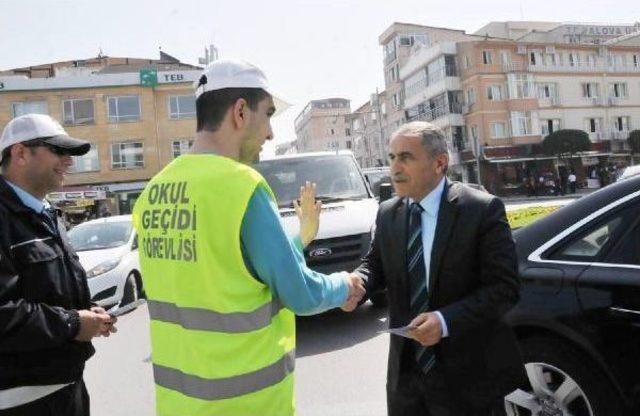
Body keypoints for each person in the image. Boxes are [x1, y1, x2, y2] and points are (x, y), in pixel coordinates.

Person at [132, 59, 365, 416]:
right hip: (247, 404)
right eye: (268, 114)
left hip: (179, 404)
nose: (271, 133)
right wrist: (344, 284)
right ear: (240, 112)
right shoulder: (242, 187)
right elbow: (299, 292)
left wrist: (300, 239)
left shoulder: (152, 192)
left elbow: (221, 272)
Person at [353, 121, 524, 415]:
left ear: (439, 163)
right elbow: (375, 265)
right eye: (391, 157)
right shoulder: (389, 213)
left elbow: (504, 288)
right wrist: (357, 281)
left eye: (406, 157)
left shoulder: (481, 210)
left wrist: (445, 322)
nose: (394, 168)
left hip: (468, 379)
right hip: (406, 380)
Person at [0, 114, 117, 415]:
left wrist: (87, 311)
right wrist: (73, 323)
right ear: (20, 153)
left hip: (66, 390)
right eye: (58, 151)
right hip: (21, 402)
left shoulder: (46, 214)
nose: (69, 161)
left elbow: (46, 289)